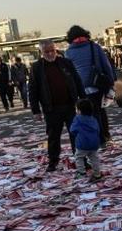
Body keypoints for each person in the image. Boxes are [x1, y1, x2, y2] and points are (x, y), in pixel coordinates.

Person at [29, 40, 86, 172]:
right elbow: (33, 89)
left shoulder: (66, 63)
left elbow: (77, 82)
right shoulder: (37, 67)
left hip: (70, 106)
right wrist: (36, 110)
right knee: (53, 137)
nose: (50, 54)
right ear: (41, 52)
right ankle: (53, 162)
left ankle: (81, 161)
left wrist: (83, 101)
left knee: (76, 135)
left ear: (56, 50)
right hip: (51, 108)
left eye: (52, 50)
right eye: (46, 51)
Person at [64, 25, 115, 146]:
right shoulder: (94, 47)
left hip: (80, 88)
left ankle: (95, 137)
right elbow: (106, 65)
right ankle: (104, 137)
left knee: (88, 113)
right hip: (96, 84)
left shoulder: (68, 52)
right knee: (99, 111)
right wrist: (111, 82)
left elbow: (68, 73)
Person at [70, 98, 102, 181]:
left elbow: (72, 130)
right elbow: (98, 129)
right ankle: (97, 174)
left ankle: (81, 172)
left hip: (82, 143)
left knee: (79, 157)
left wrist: (77, 134)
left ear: (79, 110)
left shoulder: (77, 119)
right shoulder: (93, 119)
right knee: (94, 158)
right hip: (94, 143)